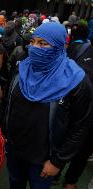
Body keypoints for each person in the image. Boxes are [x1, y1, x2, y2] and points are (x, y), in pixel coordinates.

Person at [4, 22, 93, 189]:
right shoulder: (22, 68)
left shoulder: (76, 81)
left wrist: (57, 162)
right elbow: (8, 102)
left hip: (44, 160)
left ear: (59, 46)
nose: (34, 48)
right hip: (14, 151)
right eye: (33, 42)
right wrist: (4, 135)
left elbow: (80, 126)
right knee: (15, 183)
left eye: (43, 43)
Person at [60, 22, 93, 189]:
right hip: (76, 104)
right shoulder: (82, 50)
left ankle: (70, 179)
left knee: (84, 147)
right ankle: (60, 173)